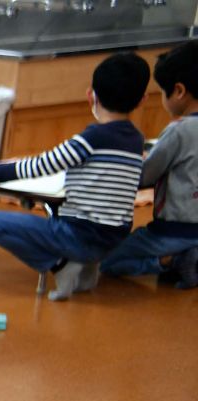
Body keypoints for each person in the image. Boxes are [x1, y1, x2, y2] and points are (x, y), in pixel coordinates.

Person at [0, 52, 150, 300]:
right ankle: (85, 264)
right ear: (142, 100)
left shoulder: (93, 139)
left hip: (81, 234)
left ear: (91, 94)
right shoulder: (136, 140)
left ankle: (60, 265)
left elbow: (39, 166)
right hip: (114, 238)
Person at [102, 41, 198, 288]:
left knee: (103, 262)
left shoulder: (180, 130)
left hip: (173, 230)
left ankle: (171, 261)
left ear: (178, 91)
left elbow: (144, 177)